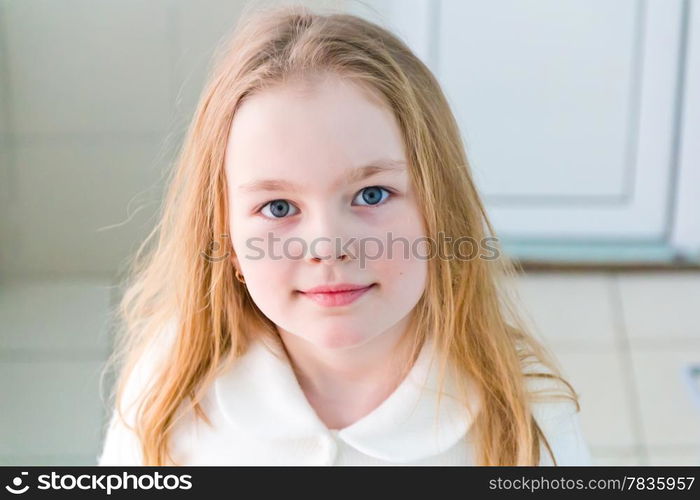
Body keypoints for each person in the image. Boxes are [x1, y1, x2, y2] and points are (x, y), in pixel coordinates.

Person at [97, 3, 592, 466]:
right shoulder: (165, 396)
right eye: (278, 207)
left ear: (442, 215)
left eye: (372, 195)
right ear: (224, 238)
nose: (329, 247)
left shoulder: (528, 419)